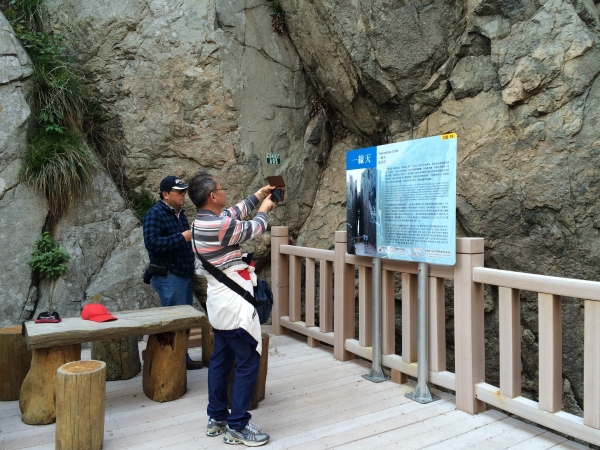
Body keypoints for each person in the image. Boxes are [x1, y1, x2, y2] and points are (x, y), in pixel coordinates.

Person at [188, 172, 275, 447]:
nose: (224, 191)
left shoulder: (202, 221)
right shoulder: (218, 226)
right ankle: (238, 426)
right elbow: (254, 228)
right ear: (213, 196)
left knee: (221, 360)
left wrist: (259, 195)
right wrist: (264, 210)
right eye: (221, 188)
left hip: (218, 303)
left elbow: (234, 212)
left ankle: (216, 417)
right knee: (248, 361)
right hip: (233, 303)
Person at [142, 175, 204, 370]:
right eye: (179, 192)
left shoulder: (180, 214)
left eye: (183, 191)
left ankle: (181, 358)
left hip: (184, 274)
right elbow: (151, 243)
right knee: (174, 321)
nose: (183, 195)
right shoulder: (155, 214)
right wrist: (181, 237)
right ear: (165, 194)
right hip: (169, 275)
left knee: (183, 321)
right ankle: (173, 362)